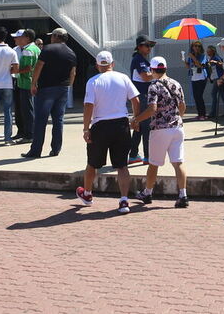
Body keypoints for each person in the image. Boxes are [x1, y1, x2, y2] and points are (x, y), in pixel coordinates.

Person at [76, 51, 139, 214]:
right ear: (113, 63)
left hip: (100, 125)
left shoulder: (93, 81)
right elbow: (136, 99)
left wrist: (85, 128)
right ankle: (124, 200)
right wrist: (135, 119)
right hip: (121, 123)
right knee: (122, 165)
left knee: (92, 163)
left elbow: (88, 105)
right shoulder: (123, 77)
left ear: (98, 65)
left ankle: (88, 193)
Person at [132, 56, 190, 208]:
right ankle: (183, 195)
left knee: (153, 164)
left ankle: (148, 192)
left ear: (152, 70)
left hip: (160, 129)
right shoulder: (176, 83)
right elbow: (182, 105)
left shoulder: (154, 86)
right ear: (165, 68)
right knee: (178, 163)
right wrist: (177, 118)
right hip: (177, 127)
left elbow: (152, 109)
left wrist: (136, 119)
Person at [22, 28, 76, 159]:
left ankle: (36, 151)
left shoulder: (48, 49)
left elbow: (38, 67)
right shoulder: (71, 53)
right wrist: (69, 85)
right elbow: (73, 72)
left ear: (57, 36)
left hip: (46, 89)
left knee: (40, 120)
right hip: (62, 89)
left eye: (52, 36)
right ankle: (56, 149)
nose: (51, 38)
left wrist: (33, 83)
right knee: (58, 119)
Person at [128, 35, 157, 164]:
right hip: (143, 96)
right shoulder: (139, 59)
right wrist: (158, 73)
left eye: (150, 45)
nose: (149, 48)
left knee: (139, 125)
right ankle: (148, 156)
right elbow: (145, 77)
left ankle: (133, 155)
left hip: (141, 96)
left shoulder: (142, 59)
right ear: (139, 47)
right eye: (147, 45)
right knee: (146, 126)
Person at [11, 29, 39, 141]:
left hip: (26, 82)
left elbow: (28, 68)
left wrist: (14, 71)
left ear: (26, 38)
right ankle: (24, 132)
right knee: (25, 108)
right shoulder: (35, 48)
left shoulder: (28, 50)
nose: (16, 39)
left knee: (27, 110)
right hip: (27, 82)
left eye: (19, 37)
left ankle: (29, 134)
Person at [186, 40, 208, 120]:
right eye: (195, 46)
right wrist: (185, 61)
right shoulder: (191, 56)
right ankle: (199, 114)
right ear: (192, 47)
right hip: (194, 78)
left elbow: (200, 65)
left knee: (199, 96)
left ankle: (203, 114)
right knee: (196, 96)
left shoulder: (202, 56)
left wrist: (193, 57)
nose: (196, 47)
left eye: (198, 46)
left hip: (201, 78)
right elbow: (188, 67)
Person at [206, 44, 224, 118]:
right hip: (215, 78)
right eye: (207, 51)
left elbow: (222, 65)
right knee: (222, 94)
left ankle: (213, 112)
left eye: (209, 51)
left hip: (219, 78)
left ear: (213, 51)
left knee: (214, 94)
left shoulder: (216, 58)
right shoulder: (211, 58)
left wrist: (216, 62)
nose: (207, 52)